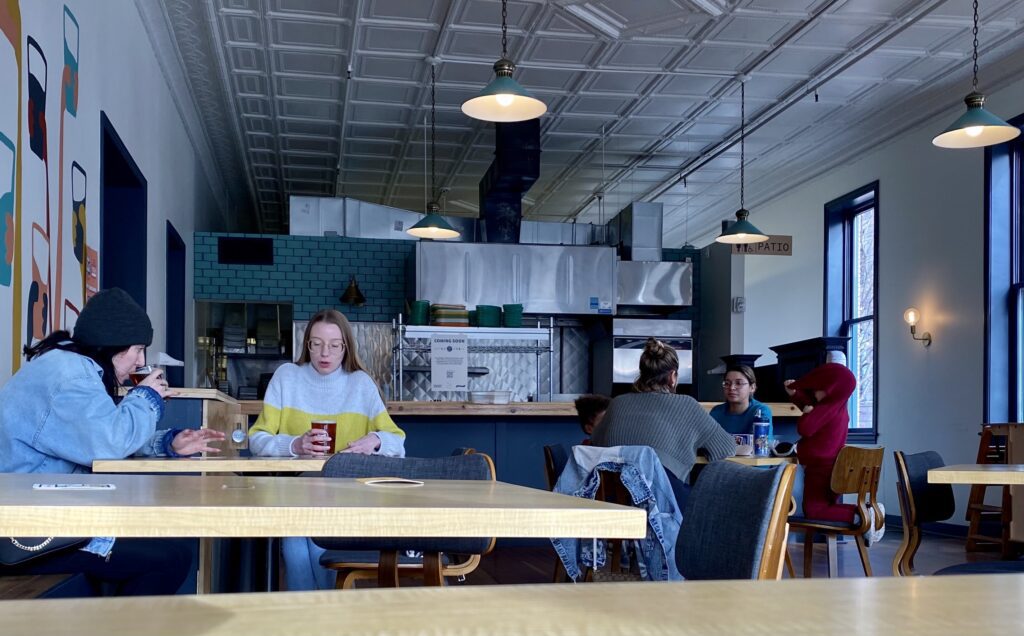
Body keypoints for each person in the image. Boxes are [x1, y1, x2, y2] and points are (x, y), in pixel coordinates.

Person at [0, 287, 224, 596]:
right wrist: (146, 397)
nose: (140, 361)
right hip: (24, 532)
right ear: (112, 345)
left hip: (35, 518)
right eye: (138, 349)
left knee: (159, 546)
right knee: (171, 558)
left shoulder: (69, 366)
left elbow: (91, 436)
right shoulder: (72, 377)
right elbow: (109, 443)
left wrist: (168, 444)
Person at [249, 308, 406, 590]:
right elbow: (256, 439)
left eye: (334, 345)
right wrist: (294, 444)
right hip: (295, 493)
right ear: (307, 344)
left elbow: (398, 442)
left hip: (346, 497)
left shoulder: (360, 384)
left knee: (316, 549)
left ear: (346, 347)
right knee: (296, 551)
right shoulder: (287, 377)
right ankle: (328, 611)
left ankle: (326, 611)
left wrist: (376, 439)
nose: (325, 353)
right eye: (317, 344)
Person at [592, 338, 735, 507]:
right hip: (662, 504)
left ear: (642, 374)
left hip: (613, 502)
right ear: (672, 376)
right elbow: (726, 448)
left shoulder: (617, 403)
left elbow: (596, 442)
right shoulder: (686, 404)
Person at [784, 362, 857, 522]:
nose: (814, 392)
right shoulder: (837, 405)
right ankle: (866, 513)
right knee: (826, 505)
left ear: (830, 389)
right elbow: (812, 407)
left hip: (820, 467)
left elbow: (805, 428)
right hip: (832, 465)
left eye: (818, 388)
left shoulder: (826, 407)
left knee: (814, 511)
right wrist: (795, 395)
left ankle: (863, 517)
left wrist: (805, 414)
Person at [709, 365, 773, 436]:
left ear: (752, 387)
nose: (731, 388)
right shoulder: (716, 411)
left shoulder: (760, 411)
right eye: (727, 383)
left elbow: (760, 441)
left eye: (738, 383)